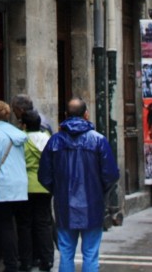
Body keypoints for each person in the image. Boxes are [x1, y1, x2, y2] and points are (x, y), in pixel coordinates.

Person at [38, 98, 119, 272]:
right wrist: (99, 191)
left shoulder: (55, 141)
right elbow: (111, 175)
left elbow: (44, 175)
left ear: (66, 115)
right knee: (90, 253)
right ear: (86, 115)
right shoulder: (98, 140)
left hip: (64, 204)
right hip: (92, 203)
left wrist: (58, 190)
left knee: (66, 253)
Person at [0, 100, 29, 272]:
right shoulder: (18, 133)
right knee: (6, 224)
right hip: (20, 184)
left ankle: (11, 265)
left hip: (4, 184)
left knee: (5, 225)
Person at [17, 110, 53, 272]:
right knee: (43, 223)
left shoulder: (22, 139)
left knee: (25, 224)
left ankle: (26, 261)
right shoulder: (48, 139)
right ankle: (47, 259)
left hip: (26, 185)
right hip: (45, 185)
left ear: (24, 125)